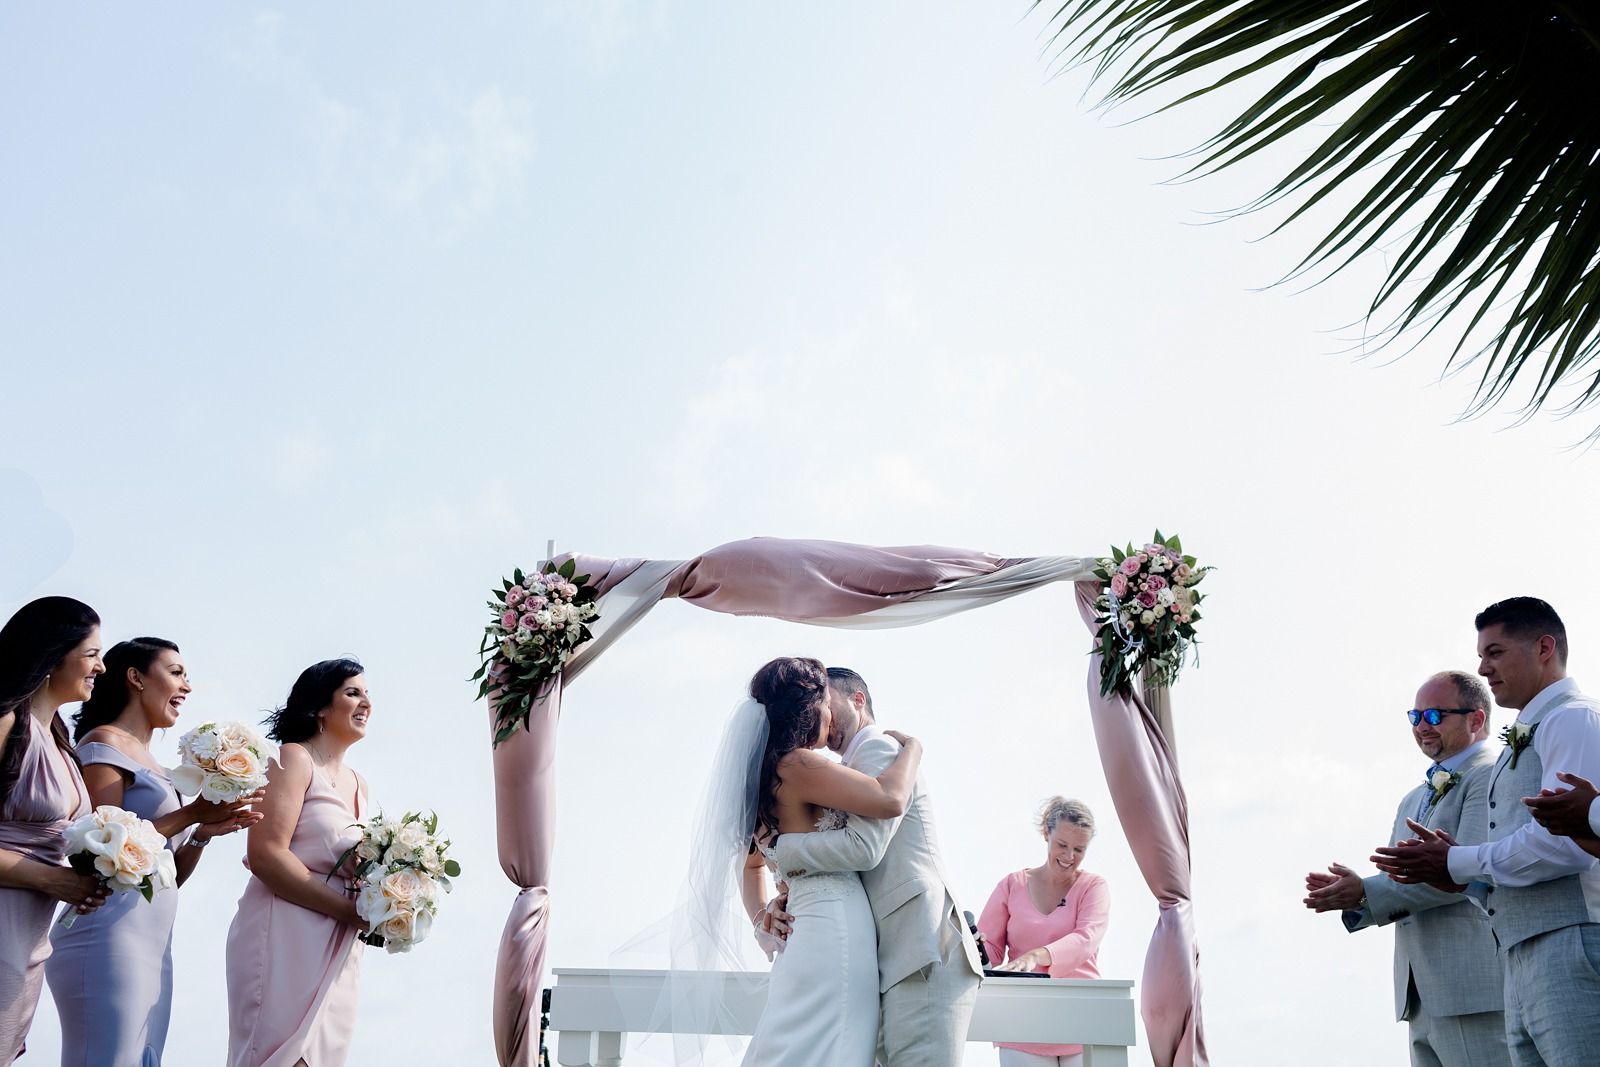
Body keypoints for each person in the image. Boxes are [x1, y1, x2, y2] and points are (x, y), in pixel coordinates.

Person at [1374, 598, 1600, 1067]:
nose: (1483, 667)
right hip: (1520, 955)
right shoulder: (1529, 731)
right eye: (1481, 654)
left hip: (1570, 942)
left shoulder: (1572, 718)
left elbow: (1567, 845)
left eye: (1495, 652)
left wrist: (1458, 862)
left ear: (1543, 648)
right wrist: (1464, 880)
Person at [687, 656, 923, 1067]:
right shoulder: (797, 764)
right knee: (834, 1048)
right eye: (825, 705)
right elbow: (889, 800)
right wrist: (914, 751)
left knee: (796, 1046)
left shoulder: (762, 774)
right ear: (808, 709)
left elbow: (751, 865)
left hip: (801, 933)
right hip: (834, 928)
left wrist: (762, 916)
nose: (831, 716)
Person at [46, 637, 262, 1066]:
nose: (187, 687)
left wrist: (201, 832)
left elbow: (166, 875)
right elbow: (96, 856)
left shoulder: (161, 770)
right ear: (136, 678)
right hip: (105, 932)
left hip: (151, 941)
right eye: (177, 673)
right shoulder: (102, 745)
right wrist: (190, 813)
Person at [764, 666, 983, 1067]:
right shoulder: (839, 770)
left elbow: (864, 848)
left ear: (857, 700)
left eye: (825, 703)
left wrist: (784, 854)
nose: (821, 718)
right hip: (888, 955)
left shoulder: (877, 747)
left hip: (922, 946)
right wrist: (790, 893)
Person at [1304, 671, 1508, 1067]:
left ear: (1476, 720)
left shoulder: (1489, 776)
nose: (1420, 727)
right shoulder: (1413, 796)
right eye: (1414, 717)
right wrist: (1358, 892)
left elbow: (1461, 871)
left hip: (1473, 988)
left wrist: (1365, 891)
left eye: (1433, 716)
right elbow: (1402, 876)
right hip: (1419, 995)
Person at [225, 658, 372, 1067]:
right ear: (321, 706)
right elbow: (266, 854)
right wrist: (350, 911)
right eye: (352, 692)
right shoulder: (292, 758)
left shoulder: (360, 783)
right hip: (284, 928)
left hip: (339, 942)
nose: (366, 702)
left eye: (366, 693)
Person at [0, 597, 109, 1061]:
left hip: (31, 936)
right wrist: (53, 879)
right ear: (51, 654)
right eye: (91, 654)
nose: (101, 668)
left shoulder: (62, 744)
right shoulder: (6, 723)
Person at [976, 797, 1109, 1067]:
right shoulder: (1012, 885)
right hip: (1021, 1022)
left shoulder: (1094, 887)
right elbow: (988, 951)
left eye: (1079, 849)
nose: (1069, 857)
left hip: (1084, 1021)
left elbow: (1086, 940)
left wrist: (1037, 955)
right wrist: (969, 946)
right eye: (1062, 845)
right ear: (1046, 833)